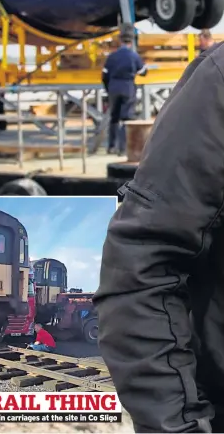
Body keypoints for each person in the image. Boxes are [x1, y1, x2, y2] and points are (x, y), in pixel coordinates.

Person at [94, 41, 224, 433]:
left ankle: (111, 140)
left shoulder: (117, 57)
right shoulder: (218, 83)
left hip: (119, 89)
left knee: (117, 118)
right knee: (121, 117)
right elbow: (141, 265)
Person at [102, 24, 146, 155]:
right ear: (131, 41)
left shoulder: (112, 57)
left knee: (114, 118)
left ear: (120, 40)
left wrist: (108, 89)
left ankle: (111, 146)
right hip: (128, 87)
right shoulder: (134, 56)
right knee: (126, 118)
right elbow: (143, 72)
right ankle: (122, 148)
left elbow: (104, 75)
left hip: (114, 87)